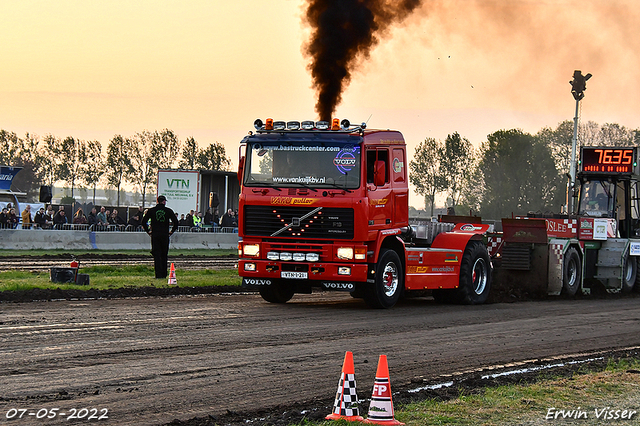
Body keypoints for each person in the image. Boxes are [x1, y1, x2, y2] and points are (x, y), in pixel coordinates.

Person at [142, 195, 179, 279]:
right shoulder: (168, 211)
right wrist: (171, 231)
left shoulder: (152, 211)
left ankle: (158, 274)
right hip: (165, 235)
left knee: (156, 255)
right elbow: (176, 222)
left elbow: (143, 222)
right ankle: (164, 274)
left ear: (157, 201)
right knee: (164, 255)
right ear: (164, 201)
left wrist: (148, 231)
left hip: (155, 235)